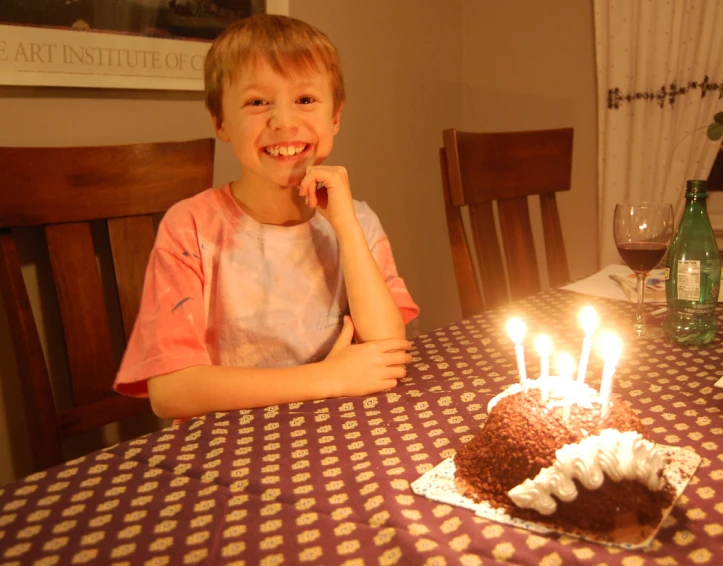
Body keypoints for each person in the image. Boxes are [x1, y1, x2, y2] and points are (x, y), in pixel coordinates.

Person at [113, 14, 420, 420]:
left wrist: (345, 227)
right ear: (221, 121)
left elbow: (387, 349)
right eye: (258, 103)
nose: (284, 122)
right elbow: (171, 391)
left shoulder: (357, 220)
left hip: (336, 433)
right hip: (231, 451)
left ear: (335, 116)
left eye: (305, 100)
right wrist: (327, 378)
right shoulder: (191, 228)